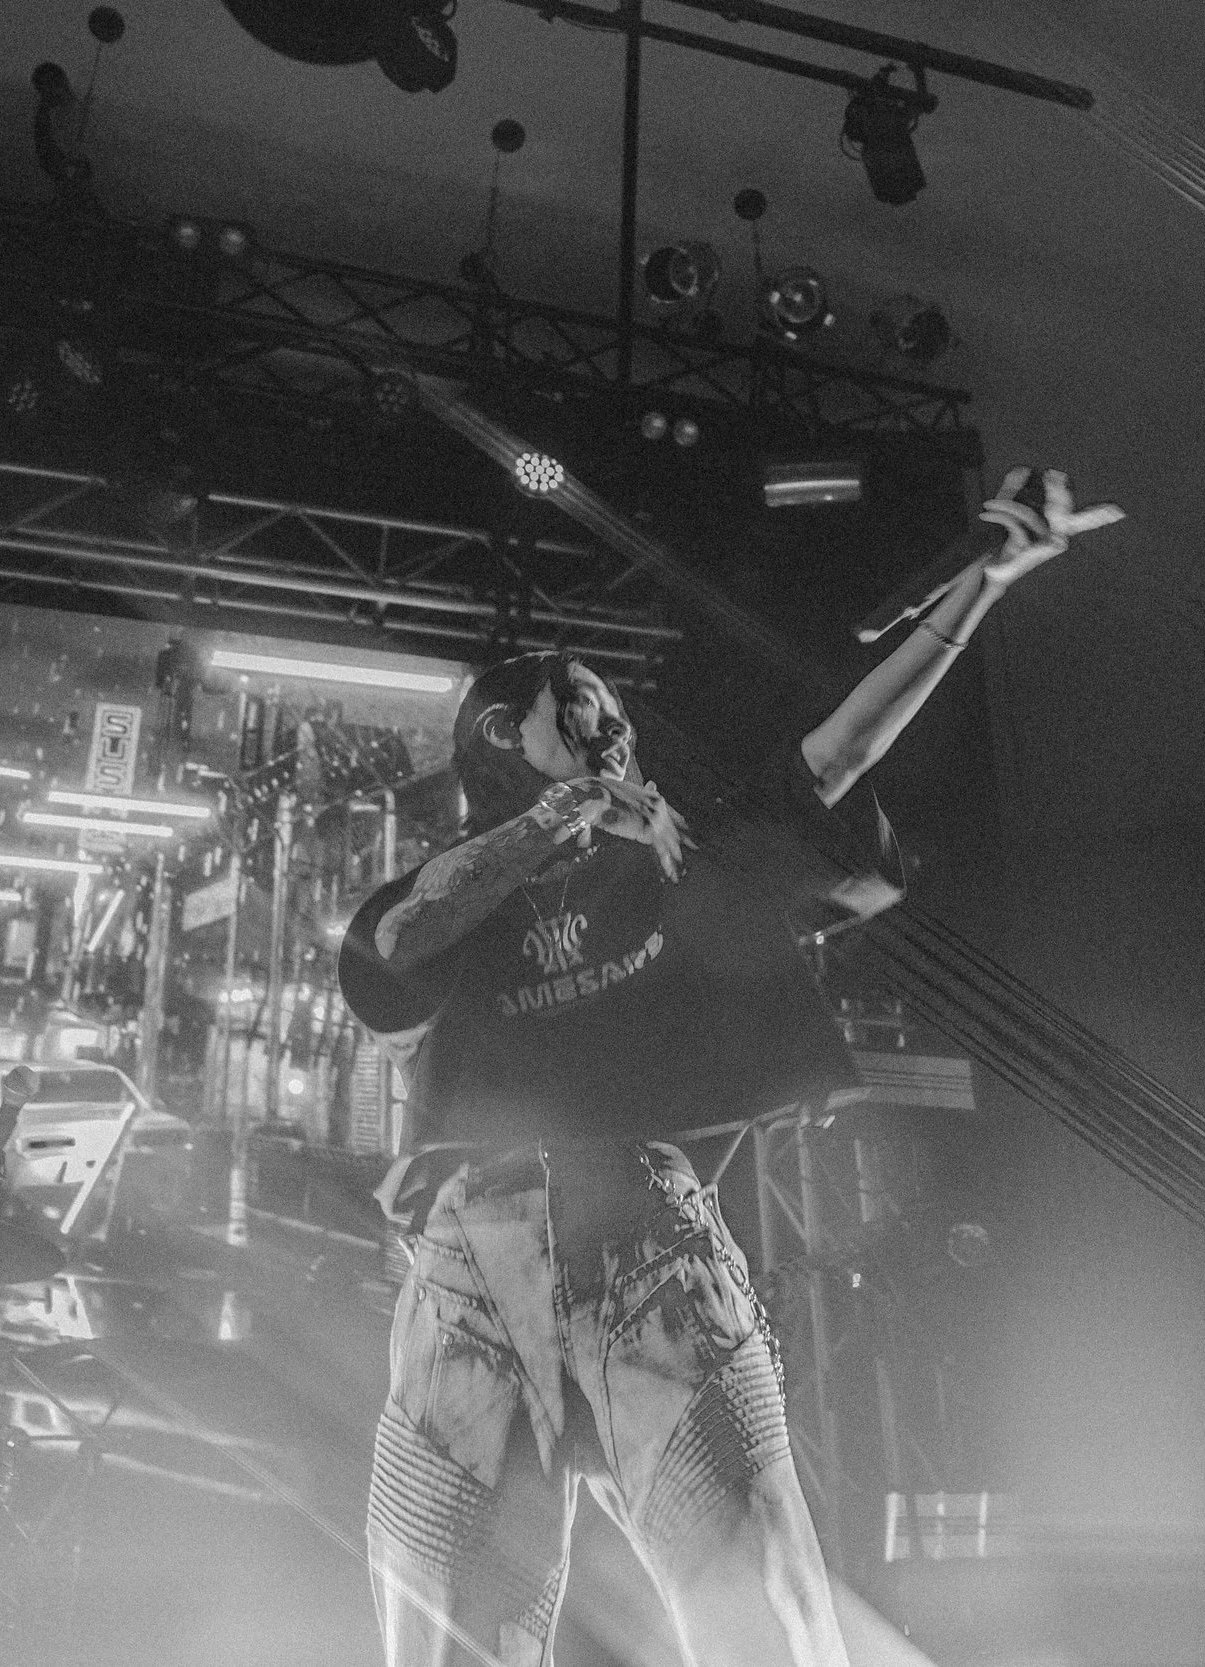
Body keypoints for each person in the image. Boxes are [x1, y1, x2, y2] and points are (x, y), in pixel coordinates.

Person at [339, 469, 1123, 1667]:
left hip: (650, 1253)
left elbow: (838, 751)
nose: (610, 725)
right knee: (447, 1644)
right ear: (501, 737)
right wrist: (557, 816)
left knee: (770, 1633)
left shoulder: (677, 856)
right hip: (469, 1276)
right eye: (576, 706)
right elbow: (396, 942)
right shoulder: (460, 890)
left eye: (613, 709)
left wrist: (984, 583)